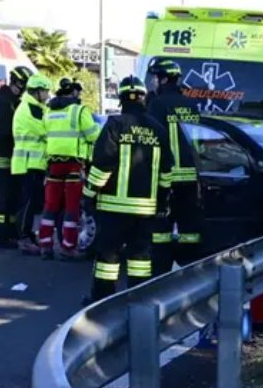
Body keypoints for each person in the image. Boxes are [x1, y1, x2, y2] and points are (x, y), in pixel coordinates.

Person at [82, 76, 174, 303]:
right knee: (140, 258)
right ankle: (139, 300)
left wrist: (89, 194)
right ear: (143, 98)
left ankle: (102, 301)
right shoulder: (158, 130)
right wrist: (162, 201)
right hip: (145, 210)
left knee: (108, 258)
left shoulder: (114, 125)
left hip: (112, 208)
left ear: (121, 99)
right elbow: (166, 172)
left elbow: (102, 166)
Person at [144, 58, 204, 276]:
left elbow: (151, 139)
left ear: (164, 79)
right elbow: (200, 142)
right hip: (191, 177)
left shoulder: (157, 104)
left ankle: (160, 274)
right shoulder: (191, 104)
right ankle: (190, 270)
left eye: (156, 78)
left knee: (161, 230)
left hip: (166, 177)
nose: (153, 82)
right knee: (189, 229)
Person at [39, 78, 102, 259]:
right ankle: (68, 247)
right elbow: (93, 136)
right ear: (74, 92)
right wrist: (99, 127)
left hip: (53, 163)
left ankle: (45, 245)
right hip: (74, 164)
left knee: (50, 206)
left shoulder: (48, 111)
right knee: (71, 207)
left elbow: (44, 135)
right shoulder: (79, 110)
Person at [0, 65, 34, 249]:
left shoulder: (13, 101)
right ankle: (2, 237)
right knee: (4, 200)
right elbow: (5, 131)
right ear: (17, 82)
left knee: (14, 198)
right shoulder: (3, 101)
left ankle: (12, 234)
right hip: (2, 158)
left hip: (12, 158)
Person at [11, 72, 52, 255]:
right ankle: (23, 238)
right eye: (46, 91)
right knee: (26, 204)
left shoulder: (36, 107)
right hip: (27, 163)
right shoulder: (29, 108)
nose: (48, 95)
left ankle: (27, 234)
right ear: (37, 91)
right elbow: (45, 130)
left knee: (31, 203)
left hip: (33, 163)